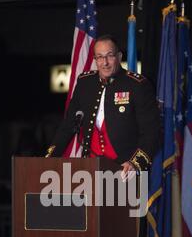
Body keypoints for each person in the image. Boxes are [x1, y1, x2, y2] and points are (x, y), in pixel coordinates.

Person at [45, 34, 161, 181]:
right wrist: (49, 158)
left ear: (119, 56)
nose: (104, 62)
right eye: (99, 57)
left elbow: (151, 131)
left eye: (109, 56)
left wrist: (136, 163)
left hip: (126, 173)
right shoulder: (85, 83)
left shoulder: (137, 85)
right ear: (95, 60)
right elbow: (68, 126)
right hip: (89, 171)